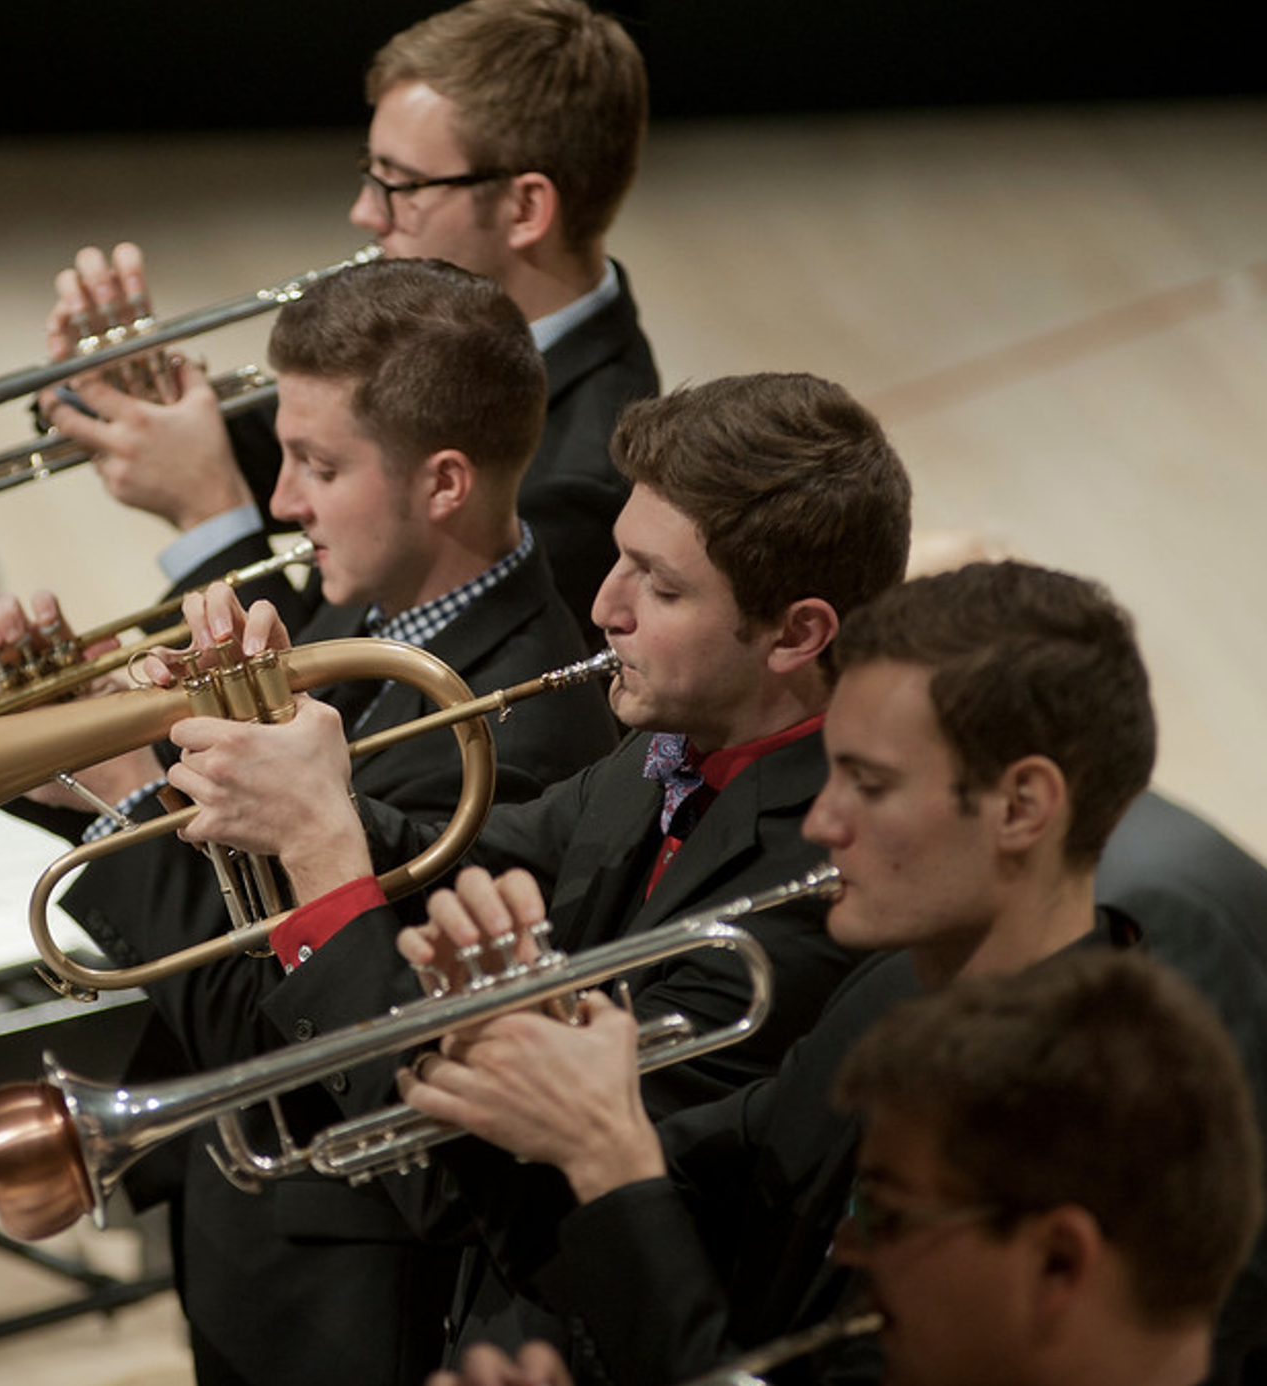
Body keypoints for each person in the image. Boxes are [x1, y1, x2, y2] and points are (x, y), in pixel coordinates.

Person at [154, 370, 910, 1355]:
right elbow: (471, 859)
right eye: (619, 562)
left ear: (797, 633)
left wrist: (315, 836)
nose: (603, 605)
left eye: (661, 585)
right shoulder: (666, 749)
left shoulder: (820, 892)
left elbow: (506, 1181)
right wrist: (265, 757)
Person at [0, 256, 619, 1386]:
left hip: (339, 1289)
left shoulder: (511, 746)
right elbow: (228, 888)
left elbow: (290, 1043)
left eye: (317, 465)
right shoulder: (369, 598)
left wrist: (123, 784)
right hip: (241, 1223)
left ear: (445, 483)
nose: (278, 502)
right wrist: (66, 768)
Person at [407, 561, 1267, 1386]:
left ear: (1021, 807)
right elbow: (685, 1192)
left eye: (869, 784)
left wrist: (606, 1154)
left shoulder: (1117, 1116)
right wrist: (511, 1070)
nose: (820, 820)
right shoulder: (890, 994)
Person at [41, 0, 657, 647]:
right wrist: (116, 392)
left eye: (403, 185)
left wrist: (207, 514)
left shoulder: (585, 486)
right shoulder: (426, 330)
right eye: (371, 173)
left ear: (525, 207)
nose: (366, 211)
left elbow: (362, 710)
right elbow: (257, 447)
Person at [428, 953, 1266, 1386]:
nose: (852, 1248)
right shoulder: (883, 996)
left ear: (1059, 1261)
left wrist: (607, 1152)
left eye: (890, 1213)